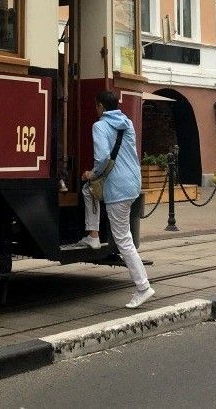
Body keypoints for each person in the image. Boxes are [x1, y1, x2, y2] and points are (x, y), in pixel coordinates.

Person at [80, 90, 154, 309]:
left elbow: (102, 157)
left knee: (123, 240)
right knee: (88, 191)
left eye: (97, 107)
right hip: (132, 183)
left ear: (101, 107)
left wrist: (93, 174)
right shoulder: (127, 123)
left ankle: (143, 287)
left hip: (118, 188)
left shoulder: (100, 126)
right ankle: (93, 235)